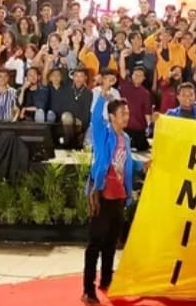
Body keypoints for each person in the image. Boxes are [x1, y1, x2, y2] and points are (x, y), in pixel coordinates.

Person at [83, 96, 142, 305]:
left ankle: (106, 280)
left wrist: (142, 165)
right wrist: (102, 94)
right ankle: (88, 290)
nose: (126, 116)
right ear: (112, 116)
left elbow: (126, 162)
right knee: (95, 243)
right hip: (102, 194)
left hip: (119, 195)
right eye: (122, 113)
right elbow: (94, 118)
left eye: (127, 113)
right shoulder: (103, 134)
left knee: (111, 241)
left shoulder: (125, 138)